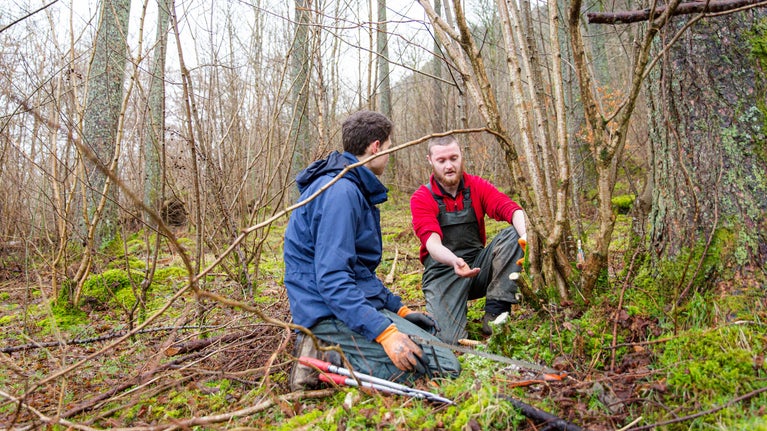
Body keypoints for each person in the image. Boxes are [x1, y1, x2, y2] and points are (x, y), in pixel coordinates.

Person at [284, 110, 460, 391]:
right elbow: (331, 279)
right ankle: (322, 354)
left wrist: (397, 310)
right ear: (375, 146)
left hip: (343, 305)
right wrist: (384, 333)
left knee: (435, 346)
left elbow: (356, 271)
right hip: (325, 312)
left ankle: (342, 348)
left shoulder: (351, 186)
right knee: (445, 368)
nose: (389, 155)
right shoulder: (341, 193)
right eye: (389, 148)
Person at [410, 135, 528, 343]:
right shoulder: (422, 197)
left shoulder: (476, 186)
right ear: (430, 160)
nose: (449, 165)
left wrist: (526, 236)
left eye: (453, 158)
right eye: (441, 160)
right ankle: (450, 315)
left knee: (513, 234)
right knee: (447, 340)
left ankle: (496, 312)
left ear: (461, 156)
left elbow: (510, 209)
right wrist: (453, 260)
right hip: (442, 274)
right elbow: (432, 242)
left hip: (477, 268)